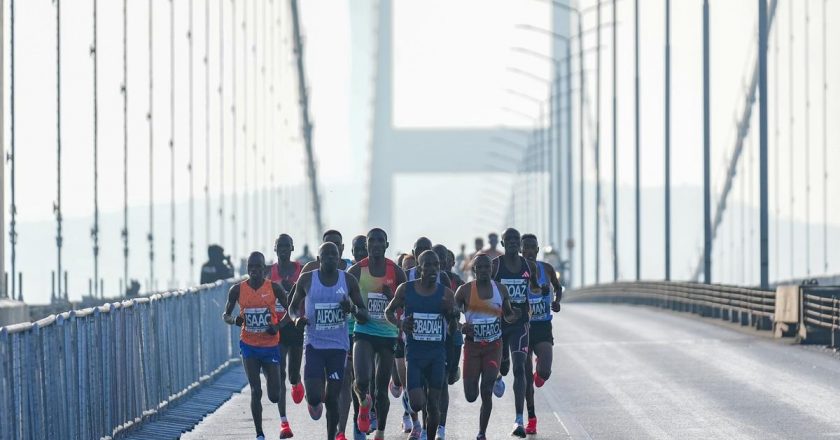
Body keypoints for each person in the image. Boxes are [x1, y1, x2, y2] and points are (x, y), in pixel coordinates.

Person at [288, 242, 369, 440]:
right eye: (327, 254)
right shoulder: (307, 279)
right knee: (316, 397)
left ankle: (332, 436)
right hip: (314, 345)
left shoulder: (348, 280)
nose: (331, 258)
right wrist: (297, 319)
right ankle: (312, 397)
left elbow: (364, 314)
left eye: (335, 254)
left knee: (332, 398)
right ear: (319, 259)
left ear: (339, 257)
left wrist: (351, 309)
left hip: (338, 347)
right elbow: (292, 308)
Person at [385, 250, 457, 440]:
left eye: (436, 265)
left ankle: (430, 435)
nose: (433, 269)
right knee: (417, 404)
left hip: (436, 355)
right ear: (419, 267)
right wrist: (400, 324)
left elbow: (452, 328)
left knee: (433, 404)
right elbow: (388, 312)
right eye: (428, 265)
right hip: (415, 354)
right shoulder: (405, 289)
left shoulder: (447, 295)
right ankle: (413, 412)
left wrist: (451, 315)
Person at [222, 252, 290, 440]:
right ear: (247, 269)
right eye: (251, 266)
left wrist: (277, 326)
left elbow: (290, 311)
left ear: (264, 268)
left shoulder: (274, 288)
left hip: (270, 346)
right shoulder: (237, 290)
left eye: (258, 266)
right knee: (255, 390)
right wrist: (234, 319)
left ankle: (271, 381)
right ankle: (259, 434)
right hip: (249, 346)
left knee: (274, 395)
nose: (254, 270)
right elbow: (225, 315)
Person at [348, 228, 407, 440]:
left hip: (388, 334)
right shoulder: (356, 271)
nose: (375, 244)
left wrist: (393, 298)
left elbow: (407, 302)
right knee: (362, 381)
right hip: (363, 331)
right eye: (371, 240)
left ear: (386, 245)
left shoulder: (396, 272)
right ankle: (364, 403)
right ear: (366, 245)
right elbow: (344, 297)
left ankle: (380, 432)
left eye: (380, 240)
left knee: (382, 389)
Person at [456, 254, 520, 440]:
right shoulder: (464, 291)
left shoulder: (500, 289)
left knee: (486, 390)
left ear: (491, 270)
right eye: (480, 267)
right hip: (472, 348)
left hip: (494, 345)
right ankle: (498, 376)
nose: (484, 270)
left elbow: (508, 315)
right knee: (470, 395)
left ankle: (482, 433)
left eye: (487, 267)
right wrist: (462, 327)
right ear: (474, 270)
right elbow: (452, 315)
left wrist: (513, 315)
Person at [491, 228, 544, 438]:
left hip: (521, 325)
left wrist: (543, 292)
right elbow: (488, 289)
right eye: (509, 239)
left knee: (520, 368)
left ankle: (518, 419)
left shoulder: (528, 266)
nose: (513, 242)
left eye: (516, 239)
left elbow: (534, 288)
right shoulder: (496, 266)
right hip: (501, 324)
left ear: (519, 244)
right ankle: (496, 375)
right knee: (504, 367)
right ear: (503, 244)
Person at [521, 233, 563, 435]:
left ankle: (539, 373)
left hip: (543, 327)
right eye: (525, 247)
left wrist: (557, 302)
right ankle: (531, 418)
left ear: (537, 250)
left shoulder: (546, 269)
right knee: (526, 380)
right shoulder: (517, 273)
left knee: (544, 373)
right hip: (523, 329)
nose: (529, 250)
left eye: (532, 247)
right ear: (521, 250)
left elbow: (558, 287)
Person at [269, 234, 305, 438]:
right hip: (278, 327)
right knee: (279, 373)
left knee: (292, 374)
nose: (283, 249)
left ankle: (297, 382)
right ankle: (284, 423)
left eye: (286, 246)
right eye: (279, 246)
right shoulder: (269, 272)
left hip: (296, 325)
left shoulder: (301, 271)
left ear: (292, 248)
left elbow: (309, 292)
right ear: (275, 249)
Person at [433, 245, 464, 440]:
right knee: (439, 382)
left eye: (444, 258)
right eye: (438, 259)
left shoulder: (456, 281)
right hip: (432, 338)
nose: (441, 262)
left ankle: (454, 369)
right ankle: (436, 427)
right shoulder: (424, 279)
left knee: (448, 379)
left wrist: (454, 311)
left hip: (452, 336)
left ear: (450, 262)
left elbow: (464, 304)